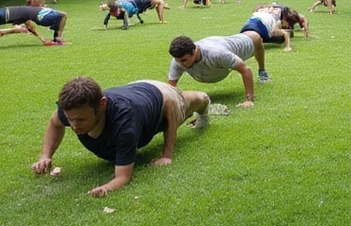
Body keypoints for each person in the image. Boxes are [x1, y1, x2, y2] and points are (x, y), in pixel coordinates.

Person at [32, 76, 229, 197]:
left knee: (196, 101)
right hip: (135, 89)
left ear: (101, 105)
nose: (74, 126)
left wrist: (167, 154)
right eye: (70, 119)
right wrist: (45, 156)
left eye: (81, 120)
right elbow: (54, 122)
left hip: (163, 96)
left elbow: (123, 176)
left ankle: (205, 104)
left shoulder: (124, 123)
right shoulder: (73, 108)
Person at [167, 32, 272, 107]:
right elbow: (170, 88)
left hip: (230, 46)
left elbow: (246, 70)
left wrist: (249, 100)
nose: (181, 64)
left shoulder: (216, 54)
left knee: (255, 37)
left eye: (184, 60)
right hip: (218, 43)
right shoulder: (177, 62)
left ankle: (262, 71)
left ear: (194, 51)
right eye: (178, 61)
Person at [0, 5, 67, 45]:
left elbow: (30, 26)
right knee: (63, 15)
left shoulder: (26, 15)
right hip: (5, 13)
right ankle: (58, 39)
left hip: (5, 12)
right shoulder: (26, 14)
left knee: (63, 15)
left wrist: (42, 39)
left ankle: (58, 39)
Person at [101, 0, 169, 29]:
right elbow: (160, 4)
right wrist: (161, 20)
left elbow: (158, 5)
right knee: (160, 3)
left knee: (158, 3)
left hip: (135, 1)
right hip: (137, 3)